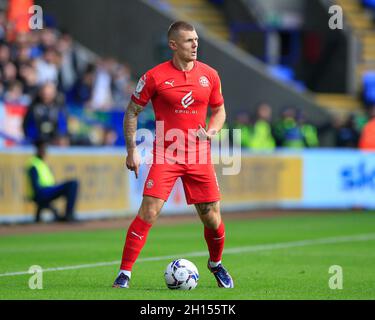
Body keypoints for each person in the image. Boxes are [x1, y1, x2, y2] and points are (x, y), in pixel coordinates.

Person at [113, 21, 234, 289]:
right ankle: (124, 273)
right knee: (149, 211)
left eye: (196, 40)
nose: (195, 45)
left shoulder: (210, 75)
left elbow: (220, 110)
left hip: (198, 154)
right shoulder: (154, 77)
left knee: (211, 217)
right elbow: (132, 111)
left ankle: (215, 264)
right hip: (165, 153)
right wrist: (132, 150)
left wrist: (212, 132)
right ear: (173, 45)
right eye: (189, 40)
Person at [25, 139, 79, 222]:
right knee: (72, 184)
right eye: (43, 149)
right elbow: (35, 186)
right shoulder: (33, 164)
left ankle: (68, 214)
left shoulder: (42, 163)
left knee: (73, 184)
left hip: (47, 190)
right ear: (38, 150)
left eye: (45, 149)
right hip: (42, 192)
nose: (45, 151)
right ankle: (69, 214)